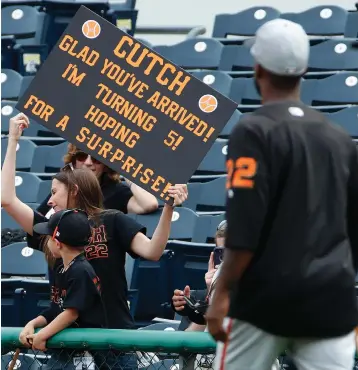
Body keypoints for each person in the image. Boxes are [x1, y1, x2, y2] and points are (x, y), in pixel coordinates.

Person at [206, 18, 358, 370]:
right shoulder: (338, 137)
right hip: (329, 299)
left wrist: (223, 291)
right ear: (303, 70)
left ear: (257, 68)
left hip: (264, 298)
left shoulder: (253, 131)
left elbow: (244, 228)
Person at [2, 113, 188, 369]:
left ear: (74, 191)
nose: (50, 200)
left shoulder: (113, 219)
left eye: (55, 193)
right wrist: (12, 140)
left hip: (114, 338)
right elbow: (7, 200)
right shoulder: (52, 225)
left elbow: (154, 251)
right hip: (66, 340)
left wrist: (168, 207)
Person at [19, 209, 106, 354]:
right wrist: (32, 324)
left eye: (48, 237)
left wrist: (42, 334)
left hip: (85, 353)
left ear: (57, 243)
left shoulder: (81, 270)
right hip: (66, 352)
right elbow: (55, 309)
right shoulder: (62, 268)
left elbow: (71, 313)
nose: (46, 242)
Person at [37, 143, 158, 217]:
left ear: (106, 165)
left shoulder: (117, 191)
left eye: (96, 158)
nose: (88, 163)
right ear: (74, 160)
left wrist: (125, 168)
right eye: (82, 156)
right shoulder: (64, 185)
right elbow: (39, 219)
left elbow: (149, 204)